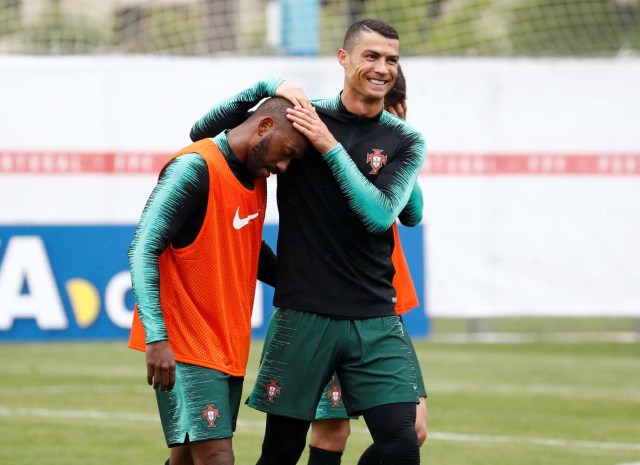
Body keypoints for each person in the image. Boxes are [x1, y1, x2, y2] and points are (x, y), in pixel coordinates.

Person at [190, 18, 426, 465]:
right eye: (371, 56)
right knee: (280, 452)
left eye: (391, 59)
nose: (382, 68)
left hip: (374, 315)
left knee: (402, 443)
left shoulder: (405, 138)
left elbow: (389, 215)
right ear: (344, 59)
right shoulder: (302, 118)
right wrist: (264, 85)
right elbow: (202, 133)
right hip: (303, 315)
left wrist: (337, 146)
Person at [127, 96, 309, 465]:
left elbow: (252, 254)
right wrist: (157, 337)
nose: (284, 165)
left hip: (227, 343)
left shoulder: (255, 178)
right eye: (285, 152)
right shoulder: (193, 168)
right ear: (264, 126)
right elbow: (142, 249)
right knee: (216, 457)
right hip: (186, 344)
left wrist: (314, 286)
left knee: (186, 459)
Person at [307, 66, 429, 465]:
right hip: (334, 305)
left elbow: (413, 212)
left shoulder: (399, 151)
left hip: (381, 305)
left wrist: (400, 154)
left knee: (413, 429)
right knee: (332, 429)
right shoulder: (337, 141)